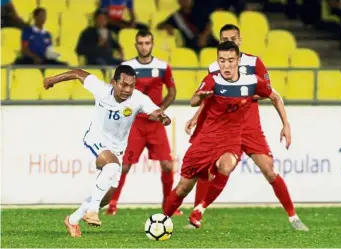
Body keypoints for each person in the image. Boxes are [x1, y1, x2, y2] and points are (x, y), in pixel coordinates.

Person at [185, 24, 309, 231]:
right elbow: (210, 98)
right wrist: (196, 116)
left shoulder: (254, 62)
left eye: (234, 38)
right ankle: (197, 215)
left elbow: (272, 94)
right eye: (225, 38)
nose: (230, 41)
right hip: (223, 127)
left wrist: (286, 124)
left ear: (240, 40)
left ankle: (293, 216)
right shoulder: (214, 67)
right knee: (207, 169)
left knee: (269, 170)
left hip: (249, 126)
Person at [43, 65, 171, 238]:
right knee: (111, 167)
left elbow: (156, 111)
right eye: (123, 85)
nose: (128, 89)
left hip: (117, 150)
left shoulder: (138, 99)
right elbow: (77, 73)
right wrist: (52, 80)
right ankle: (92, 211)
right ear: (113, 83)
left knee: (106, 197)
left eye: (132, 85)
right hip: (95, 140)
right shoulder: (101, 90)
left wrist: (162, 117)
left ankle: (73, 220)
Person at [163, 41, 273, 225]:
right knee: (183, 188)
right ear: (218, 61)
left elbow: (272, 94)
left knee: (227, 166)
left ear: (238, 60)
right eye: (222, 60)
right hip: (206, 140)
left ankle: (199, 209)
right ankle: (162, 219)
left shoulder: (252, 81)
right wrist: (201, 97)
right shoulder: (212, 80)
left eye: (231, 60)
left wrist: (283, 121)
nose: (226, 65)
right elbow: (193, 101)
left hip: (231, 139)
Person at [105, 29, 182, 216]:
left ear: (152, 44)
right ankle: (112, 204)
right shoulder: (126, 66)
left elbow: (172, 92)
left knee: (167, 165)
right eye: (140, 43)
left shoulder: (163, 67)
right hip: (134, 123)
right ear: (136, 45)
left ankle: (168, 204)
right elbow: (113, 91)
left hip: (155, 123)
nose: (144, 46)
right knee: (124, 165)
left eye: (147, 43)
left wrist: (160, 110)